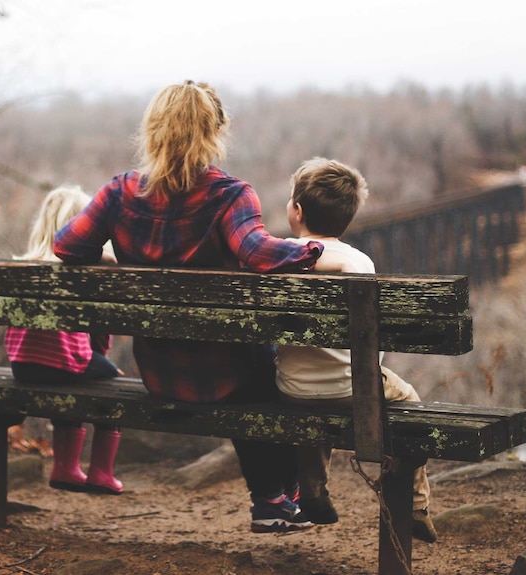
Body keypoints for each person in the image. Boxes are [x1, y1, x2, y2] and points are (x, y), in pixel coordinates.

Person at [53, 80, 325, 533]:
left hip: (160, 373)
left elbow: (66, 246)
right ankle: (276, 497)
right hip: (228, 376)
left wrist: (110, 258)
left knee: (252, 364)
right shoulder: (229, 195)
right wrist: (313, 250)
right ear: (216, 131)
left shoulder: (119, 193)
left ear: (153, 131)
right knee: (267, 367)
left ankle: (277, 499)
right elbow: (258, 252)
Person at [276, 157, 438, 543]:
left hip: (292, 388)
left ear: (297, 211)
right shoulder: (359, 263)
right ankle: (416, 504)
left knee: (315, 398)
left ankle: (312, 490)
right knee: (409, 400)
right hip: (354, 388)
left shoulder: (277, 256)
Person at [4, 185, 125, 495]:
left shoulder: (23, 266)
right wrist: (103, 360)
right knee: (114, 383)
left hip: (22, 366)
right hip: (64, 364)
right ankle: (100, 473)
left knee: (73, 374)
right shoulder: (82, 270)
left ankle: (65, 468)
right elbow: (98, 332)